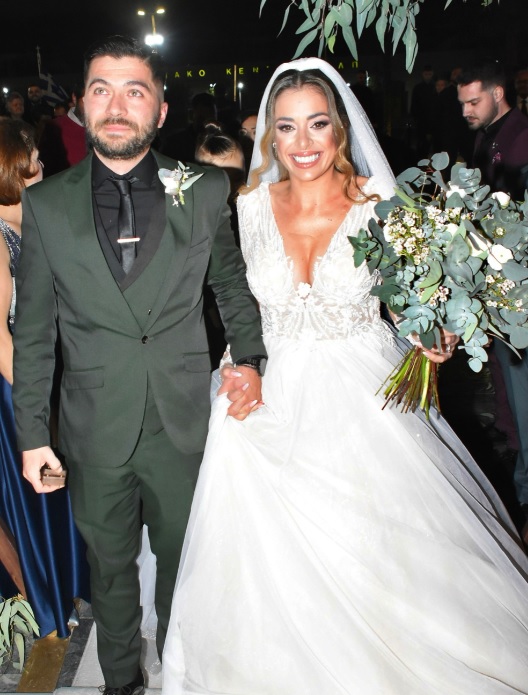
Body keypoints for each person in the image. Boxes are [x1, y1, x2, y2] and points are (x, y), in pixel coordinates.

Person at [162, 57, 528, 694]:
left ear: (340, 128)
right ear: (269, 135)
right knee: (260, 560)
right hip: (263, 393)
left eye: (317, 124)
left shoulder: (380, 204)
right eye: (286, 127)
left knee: (374, 547)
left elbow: (408, 300)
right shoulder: (245, 206)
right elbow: (227, 298)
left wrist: (433, 332)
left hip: (360, 390)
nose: (302, 142)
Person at [12, 35, 265, 695]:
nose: (117, 105)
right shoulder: (46, 204)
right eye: (102, 90)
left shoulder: (204, 189)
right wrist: (33, 434)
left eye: (134, 91)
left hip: (183, 422)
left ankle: (182, 674)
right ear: (82, 104)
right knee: (110, 570)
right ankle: (121, 681)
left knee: (187, 565)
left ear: (160, 108)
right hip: (93, 425)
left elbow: (231, 287)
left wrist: (251, 360)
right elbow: (34, 330)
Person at [0, 119, 90, 637]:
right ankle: (48, 599)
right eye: (33, 162)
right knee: (39, 493)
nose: (43, 168)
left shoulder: (24, 224)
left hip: (33, 379)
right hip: (15, 388)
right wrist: (38, 409)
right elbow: (0, 337)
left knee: (54, 493)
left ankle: (65, 585)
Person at [458, 63, 528, 541]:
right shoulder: (488, 136)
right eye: (462, 103)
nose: (466, 111)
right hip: (496, 283)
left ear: (497, 93)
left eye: (473, 102)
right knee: (507, 383)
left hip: (517, 284)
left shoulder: (520, 137)